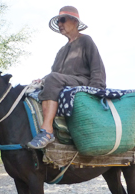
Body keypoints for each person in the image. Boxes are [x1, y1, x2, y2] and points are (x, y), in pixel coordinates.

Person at [27, 6, 106, 149]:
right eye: (58, 22)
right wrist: (42, 80)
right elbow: (54, 73)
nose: (59, 24)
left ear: (75, 21)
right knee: (32, 88)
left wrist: (95, 91)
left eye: (62, 20)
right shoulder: (61, 51)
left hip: (82, 82)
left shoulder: (86, 41)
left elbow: (97, 68)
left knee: (52, 78)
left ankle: (47, 131)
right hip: (62, 82)